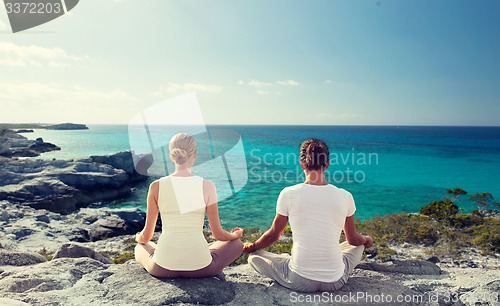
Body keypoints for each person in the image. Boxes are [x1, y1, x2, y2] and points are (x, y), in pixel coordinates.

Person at [243, 138, 373, 292]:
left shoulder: (288, 194)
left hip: (300, 280)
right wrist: (366, 240)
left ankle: (292, 260)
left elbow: (273, 235)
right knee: (358, 246)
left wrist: (253, 246)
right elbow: (352, 239)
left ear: (302, 164)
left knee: (254, 258)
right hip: (335, 281)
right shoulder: (345, 196)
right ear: (328, 164)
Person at [134, 133, 244, 278]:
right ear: (195, 153)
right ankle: (201, 250)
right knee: (237, 244)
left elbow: (146, 237)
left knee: (140, 247)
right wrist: (235, 234)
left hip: (162, 268)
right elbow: (218, 234)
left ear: (171, 155)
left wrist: (138, 238)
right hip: (202, 268)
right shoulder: (207, 186)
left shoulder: (156, 186)